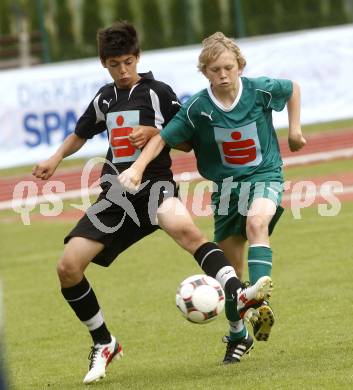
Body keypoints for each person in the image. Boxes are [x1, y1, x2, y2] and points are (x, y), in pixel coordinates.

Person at [32, 23, 272, 384]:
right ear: (104, 63)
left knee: (185, 230)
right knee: (68, 268)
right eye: (115, 64)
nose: (123, 70)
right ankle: (104, 342)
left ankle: (239, 293)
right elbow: (80, 133)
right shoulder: (105, 99)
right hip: (114, 196)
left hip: (155, 185)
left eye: (128, 61)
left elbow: (186, 136)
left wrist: (155, 133)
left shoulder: (158, 92)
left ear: (138, 57)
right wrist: (55, 158)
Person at [118, 31, 306, 352]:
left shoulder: (259, 89)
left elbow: (292, 89)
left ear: (239, 66)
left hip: (265, 176)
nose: (223, 75)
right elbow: (163, 138)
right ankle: (237, 333)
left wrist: (295, 129)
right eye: (215, 69)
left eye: (229, 68)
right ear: (205, 72)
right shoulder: (197, 108)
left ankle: (259, 304)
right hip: (227, 192)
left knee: (257, 224)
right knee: (230, 276)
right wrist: (136, 168)